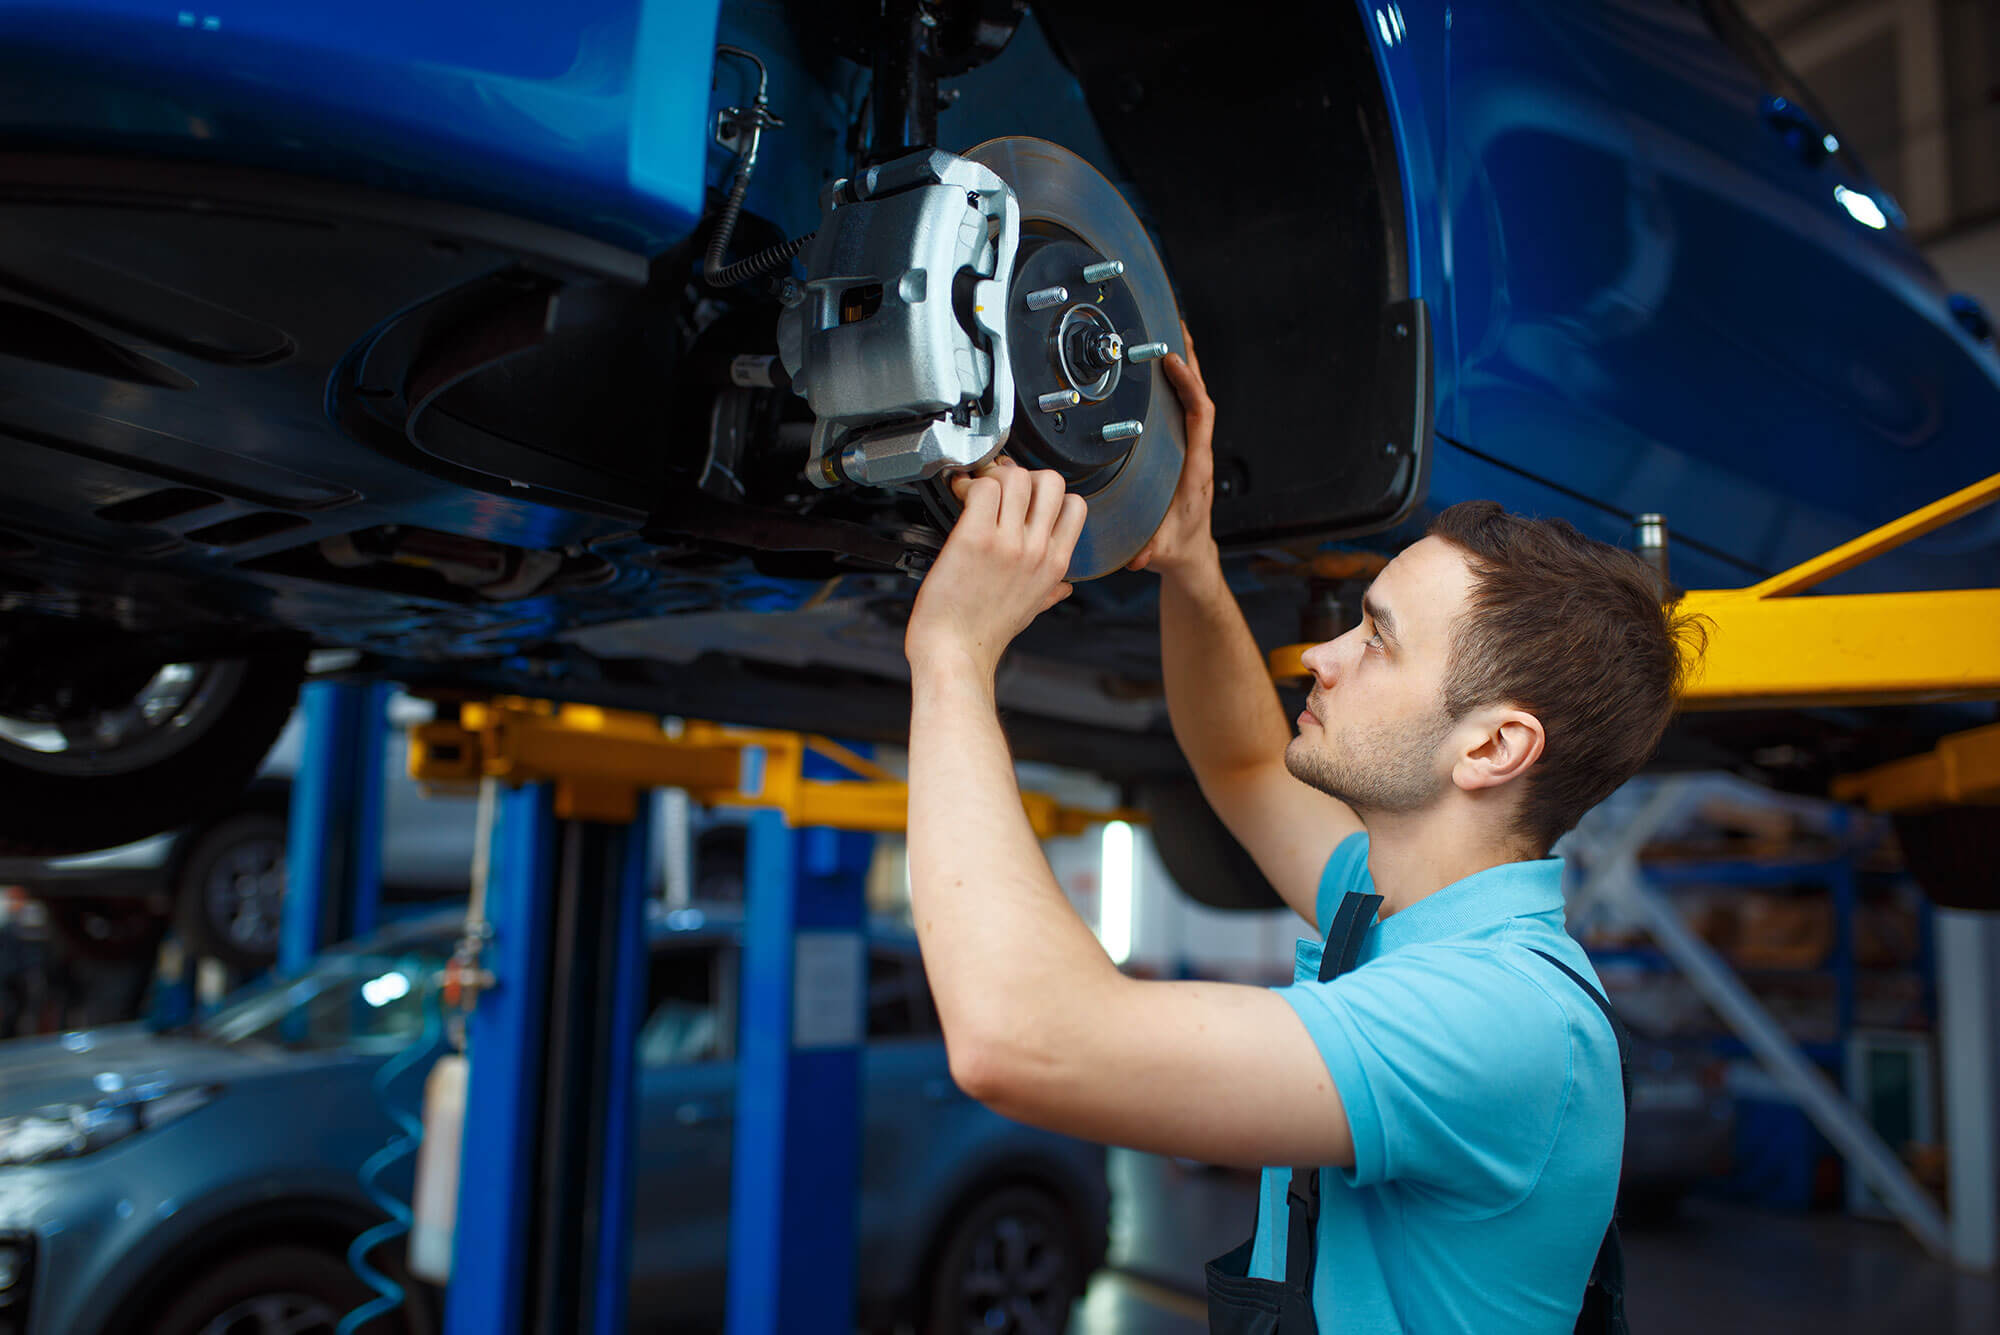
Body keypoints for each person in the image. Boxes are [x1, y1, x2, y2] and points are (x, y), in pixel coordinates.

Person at [901, 325, 1705, 1333]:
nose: (1319, 655)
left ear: (1493, 749)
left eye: (1376, 640)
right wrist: (1190, 564)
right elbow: (1242, 767)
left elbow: (1021, 1043)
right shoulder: (1396, 905)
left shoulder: (1497, 1021)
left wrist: (951, 652)